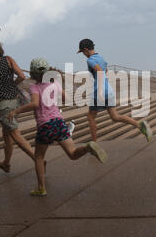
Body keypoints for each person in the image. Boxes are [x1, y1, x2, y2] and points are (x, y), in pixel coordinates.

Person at [8, 57, 108, 196]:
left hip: (45, 125)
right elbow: (66, 98)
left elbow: (35, 104)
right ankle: (88, 147)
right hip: (59, 122)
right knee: (72, 153)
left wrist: (16, 110)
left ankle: (41, 188)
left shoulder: (34, 87)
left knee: (39, 157)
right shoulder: (54, 84)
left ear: (33, 73)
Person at [77, 38, 153, 142]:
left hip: (100, 92)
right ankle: (139, 125)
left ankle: (94, 143)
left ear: (86, 50)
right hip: (109, 91)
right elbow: (105, 70)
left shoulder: (90, 60)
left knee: (90, 117)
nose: (83, 55)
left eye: (83, 52)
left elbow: (99, 71)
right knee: (115, 117)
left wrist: (99, 91)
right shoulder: (101, 58)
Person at [0, 38, 35, 173]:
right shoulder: (8, 59)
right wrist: (11, 84)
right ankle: (6, 163)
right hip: (15, 101)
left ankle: (37, 158)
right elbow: (21, 76)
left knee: (14, 133)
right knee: (6, 133)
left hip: (1, 104)